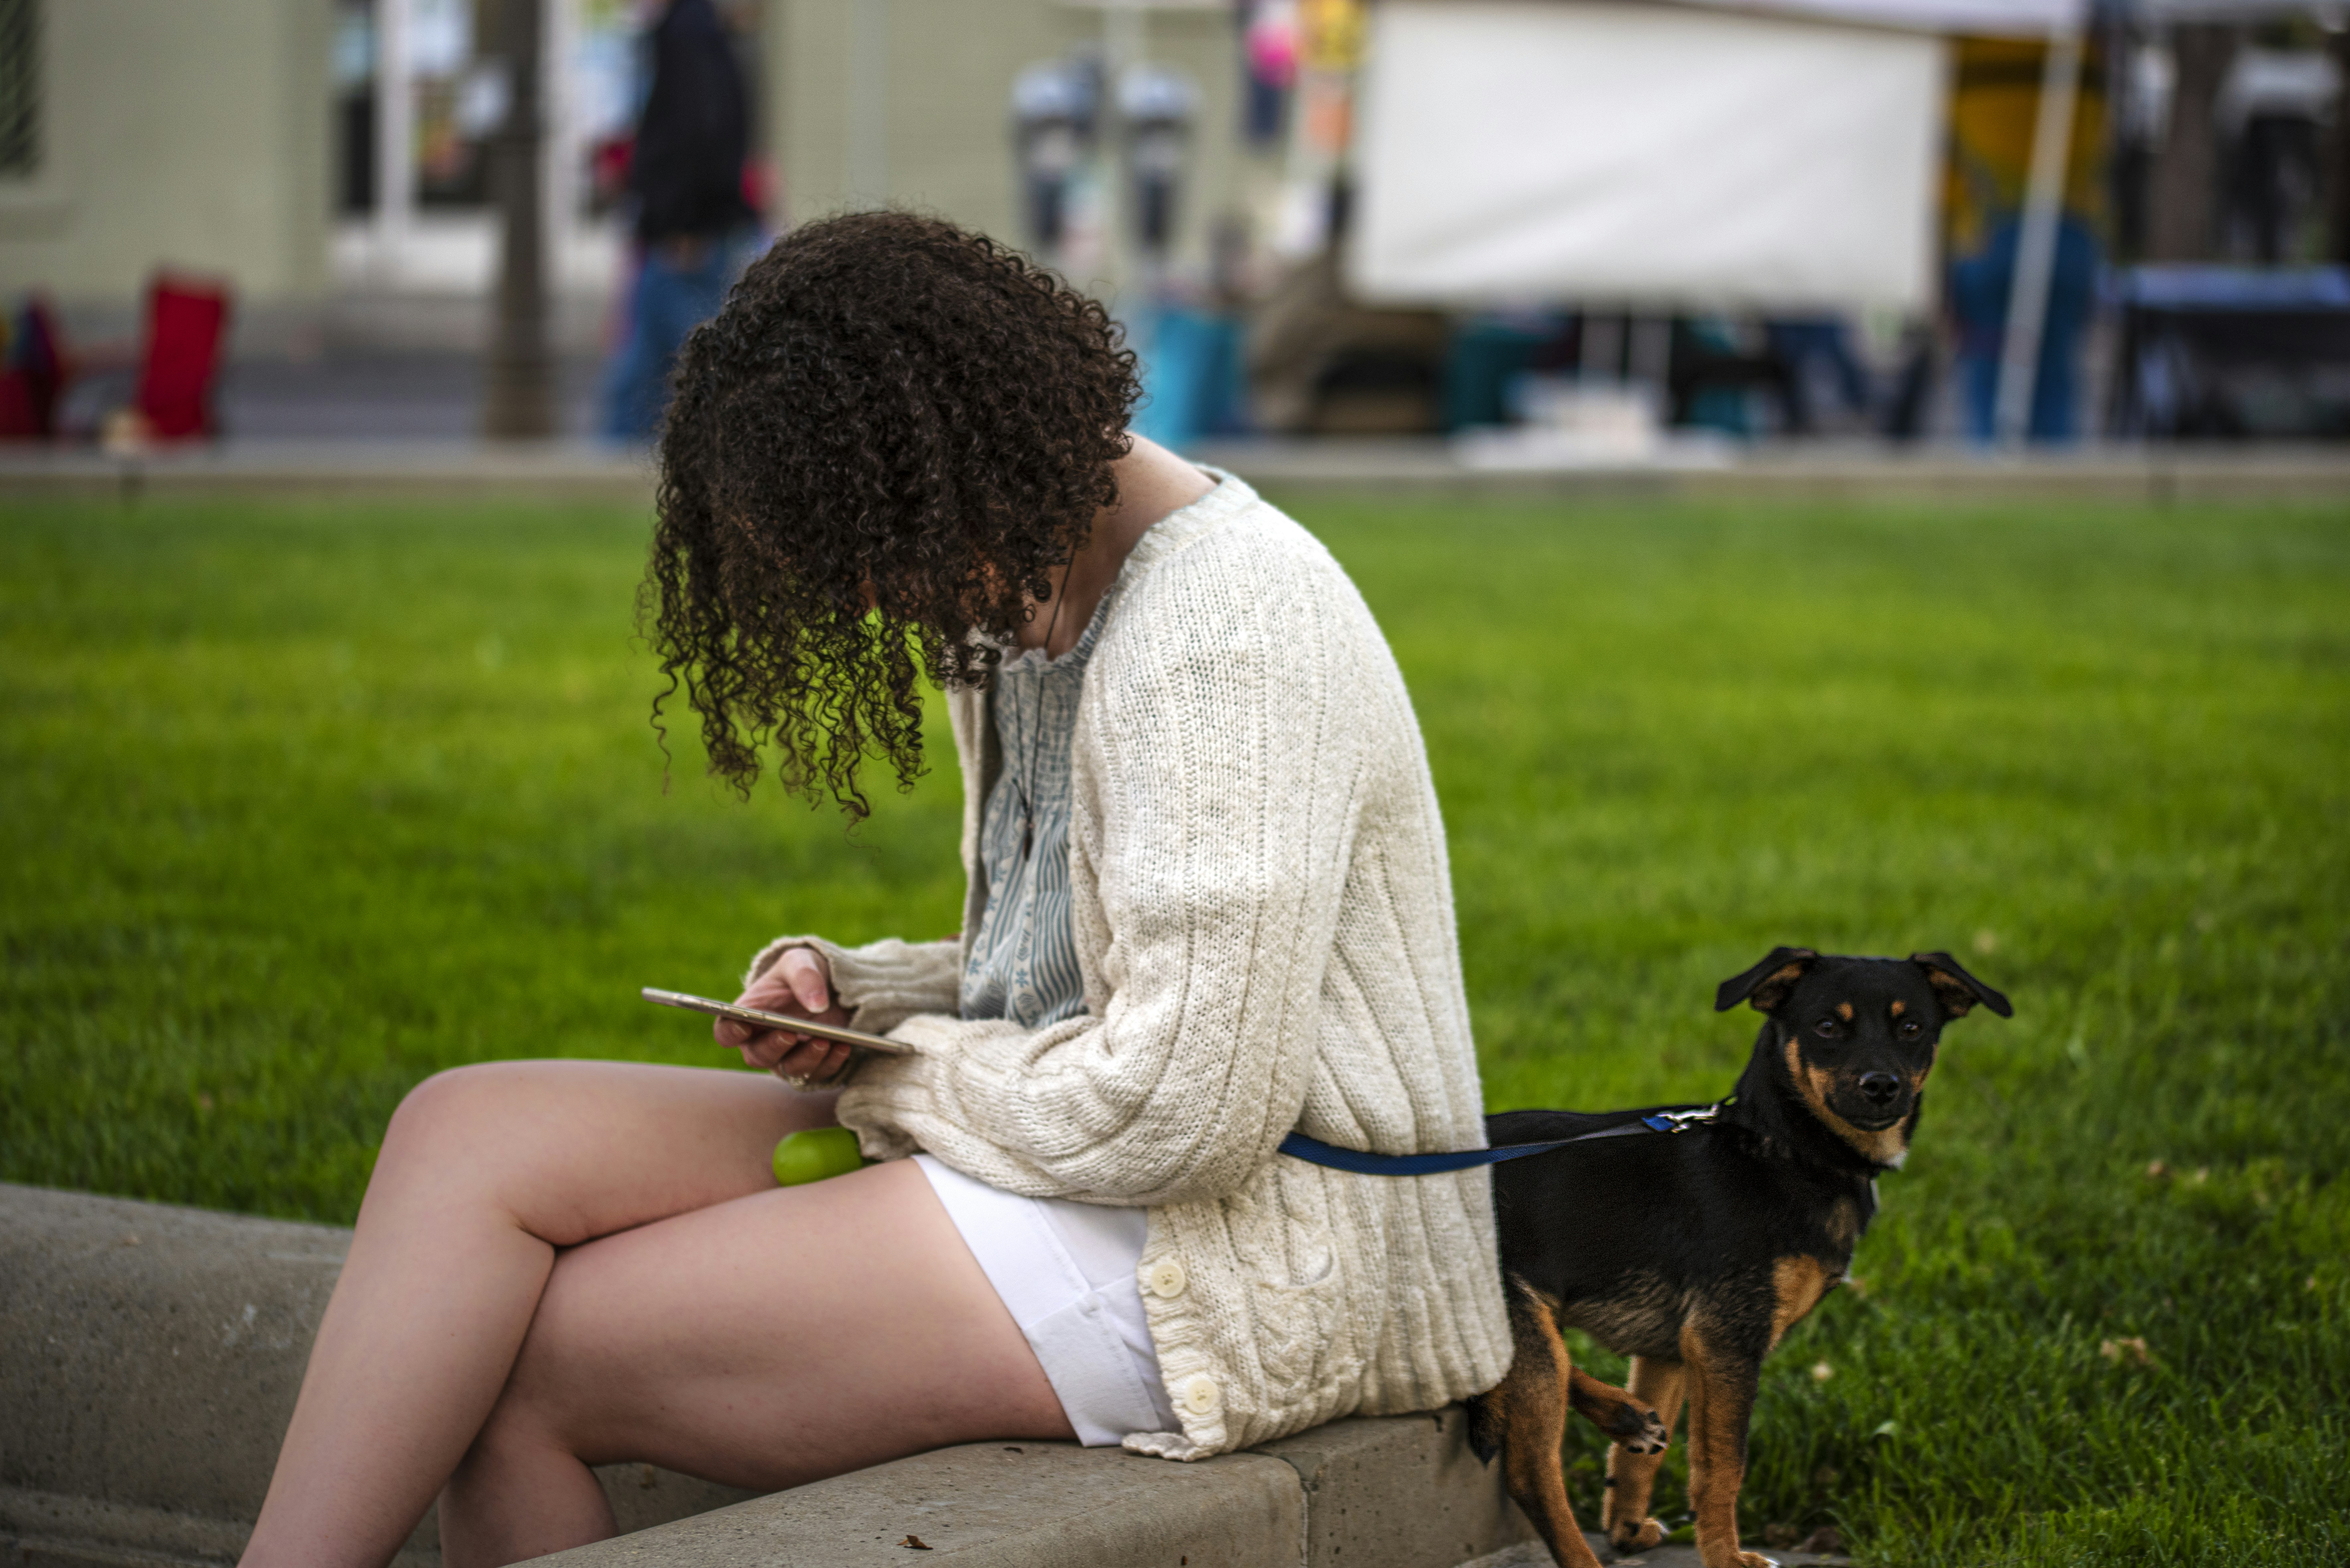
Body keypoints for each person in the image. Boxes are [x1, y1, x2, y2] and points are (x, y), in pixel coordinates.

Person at [241, 213, 1508, 1568]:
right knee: (462, 1131)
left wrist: (892, 1069)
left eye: (886, 553)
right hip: (1066, 1149)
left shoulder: (1225, 634)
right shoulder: (1031, 597)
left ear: (970, 456)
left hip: (1243, 1248)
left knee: (518, 1363)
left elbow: (1182, 1106)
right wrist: (865, 995)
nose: (888, 602)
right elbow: (1074, 958)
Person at [599, 0, 761, 441]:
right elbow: (700, 129)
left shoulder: (688, 32)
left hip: (685, 235)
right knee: (661, 368)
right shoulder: (697, 32)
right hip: (689, 229)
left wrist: (681, 220)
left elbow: (695, 129)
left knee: (675, 372)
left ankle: (609, 469)